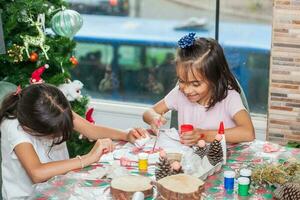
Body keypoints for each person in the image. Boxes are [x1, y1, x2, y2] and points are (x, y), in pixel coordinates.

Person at [0, 83, 146, 199]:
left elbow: (90, 129)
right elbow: (37, 173)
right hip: (29, 196)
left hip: (59, 186)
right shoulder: (13, 127)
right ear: (32, 128)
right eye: (54, 134)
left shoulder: (54, 108)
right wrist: (87, 158)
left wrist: (125, 135)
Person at [143, 33, 255, 145]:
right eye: (182, 81)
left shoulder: (229, 97)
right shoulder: (179, 93)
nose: (187, 90)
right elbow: (149, 112)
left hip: (221, 160)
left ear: (214, 77)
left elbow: (248, 132)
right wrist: (154, 118)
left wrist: (203, 135)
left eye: (195, 84)